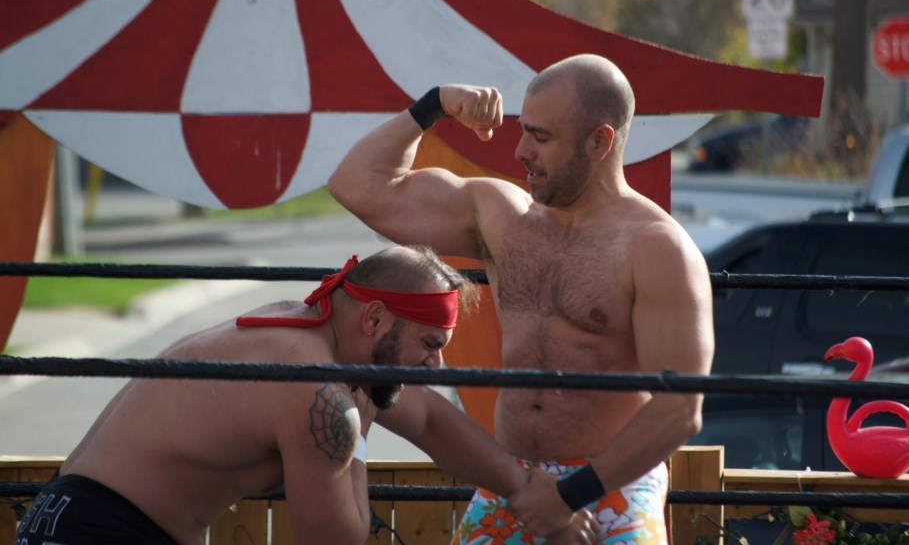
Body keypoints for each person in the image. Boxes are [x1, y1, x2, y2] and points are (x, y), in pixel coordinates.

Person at [328, 54, 715, 544]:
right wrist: (434, 105)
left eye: (541, 137)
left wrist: (567, 496)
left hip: (611, 484)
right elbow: (357, 186)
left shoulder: (658, 248)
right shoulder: (503, 218)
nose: (520, 151)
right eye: (524, 130)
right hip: (513, 481)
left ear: (600, 141)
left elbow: (680, 410)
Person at [14, 246, 596, 545]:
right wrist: (360, 437)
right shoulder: (320, 394)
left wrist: (530, 493)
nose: (436, 363)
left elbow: (433, 423)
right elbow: (334, 539)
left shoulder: (301, 329)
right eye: (428, 342)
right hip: (105, 532)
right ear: (373, 319)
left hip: (63, 516)